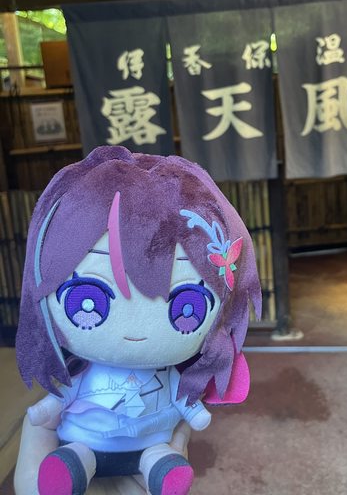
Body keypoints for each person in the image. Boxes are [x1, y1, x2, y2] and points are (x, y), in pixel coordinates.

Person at [15, 146, 261, 495]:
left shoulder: (167, 373)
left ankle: (160, 467)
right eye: (88, 300)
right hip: (86, 440)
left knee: (160, 457)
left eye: (186, 307)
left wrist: (196, 413)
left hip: (150, 443)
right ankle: (73, 467)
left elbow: (183, 400)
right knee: (76, 456)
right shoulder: (83, 372)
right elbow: (61, 397)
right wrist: (45, 410)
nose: (135, 332)